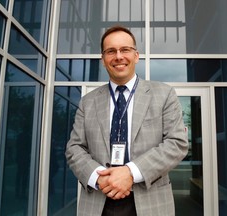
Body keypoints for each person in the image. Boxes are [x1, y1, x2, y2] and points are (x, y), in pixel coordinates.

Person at [65, 25, 188, 216]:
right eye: (111, 51)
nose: (118, 56)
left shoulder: (164, 94)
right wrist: (100, 178)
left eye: (125, 50)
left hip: (149, 203)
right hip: (98, 202)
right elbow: (74, 148)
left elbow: (177, 143)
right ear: (103, 60)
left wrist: (130, 172)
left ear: (136, 56)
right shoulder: (88, 101)